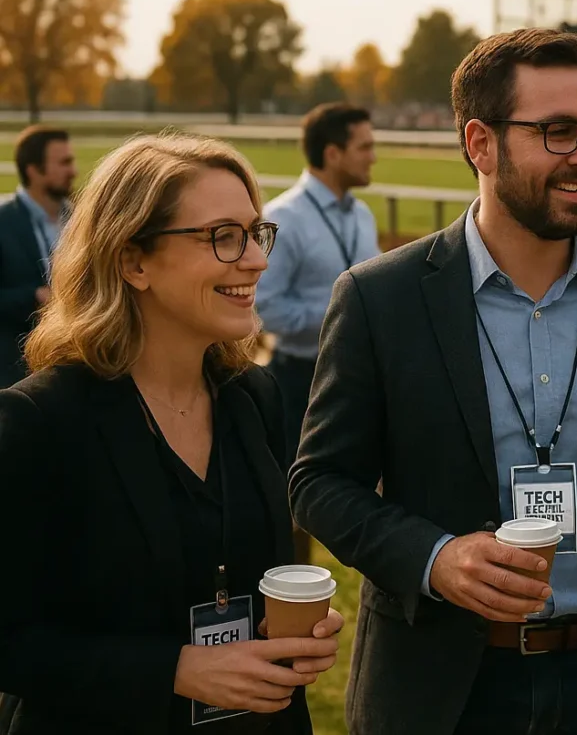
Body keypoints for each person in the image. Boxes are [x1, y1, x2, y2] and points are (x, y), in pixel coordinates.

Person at [289, 28, 577, 735]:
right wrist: (436, 557)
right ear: (480, 142)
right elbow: (320, 484)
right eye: (558, 132)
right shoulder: (378, 297)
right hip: (439, 688)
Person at [0, 133, 344, 734]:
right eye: (223, 236)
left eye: (257, 232)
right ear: (133, 261)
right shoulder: (40, 422)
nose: (258, 260)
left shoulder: (253, 398)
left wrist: (291, 631)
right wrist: (174, 670)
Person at [256, 102, 379, 562]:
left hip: (362, 379)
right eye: (364, 146)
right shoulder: (283, 217)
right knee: (295, 500)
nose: (372, 156)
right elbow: (264, 309)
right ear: (332, 153)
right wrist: (343, 315)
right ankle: (294, 592)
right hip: (299, 379)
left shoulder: (362, 215)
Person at [0, 126, 76, 386]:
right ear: (34, 171)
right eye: (64, 163)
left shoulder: (83, 219)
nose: (73, 171)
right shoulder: (3, 223)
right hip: (17, 368)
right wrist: (34, 296)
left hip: (79, 361)